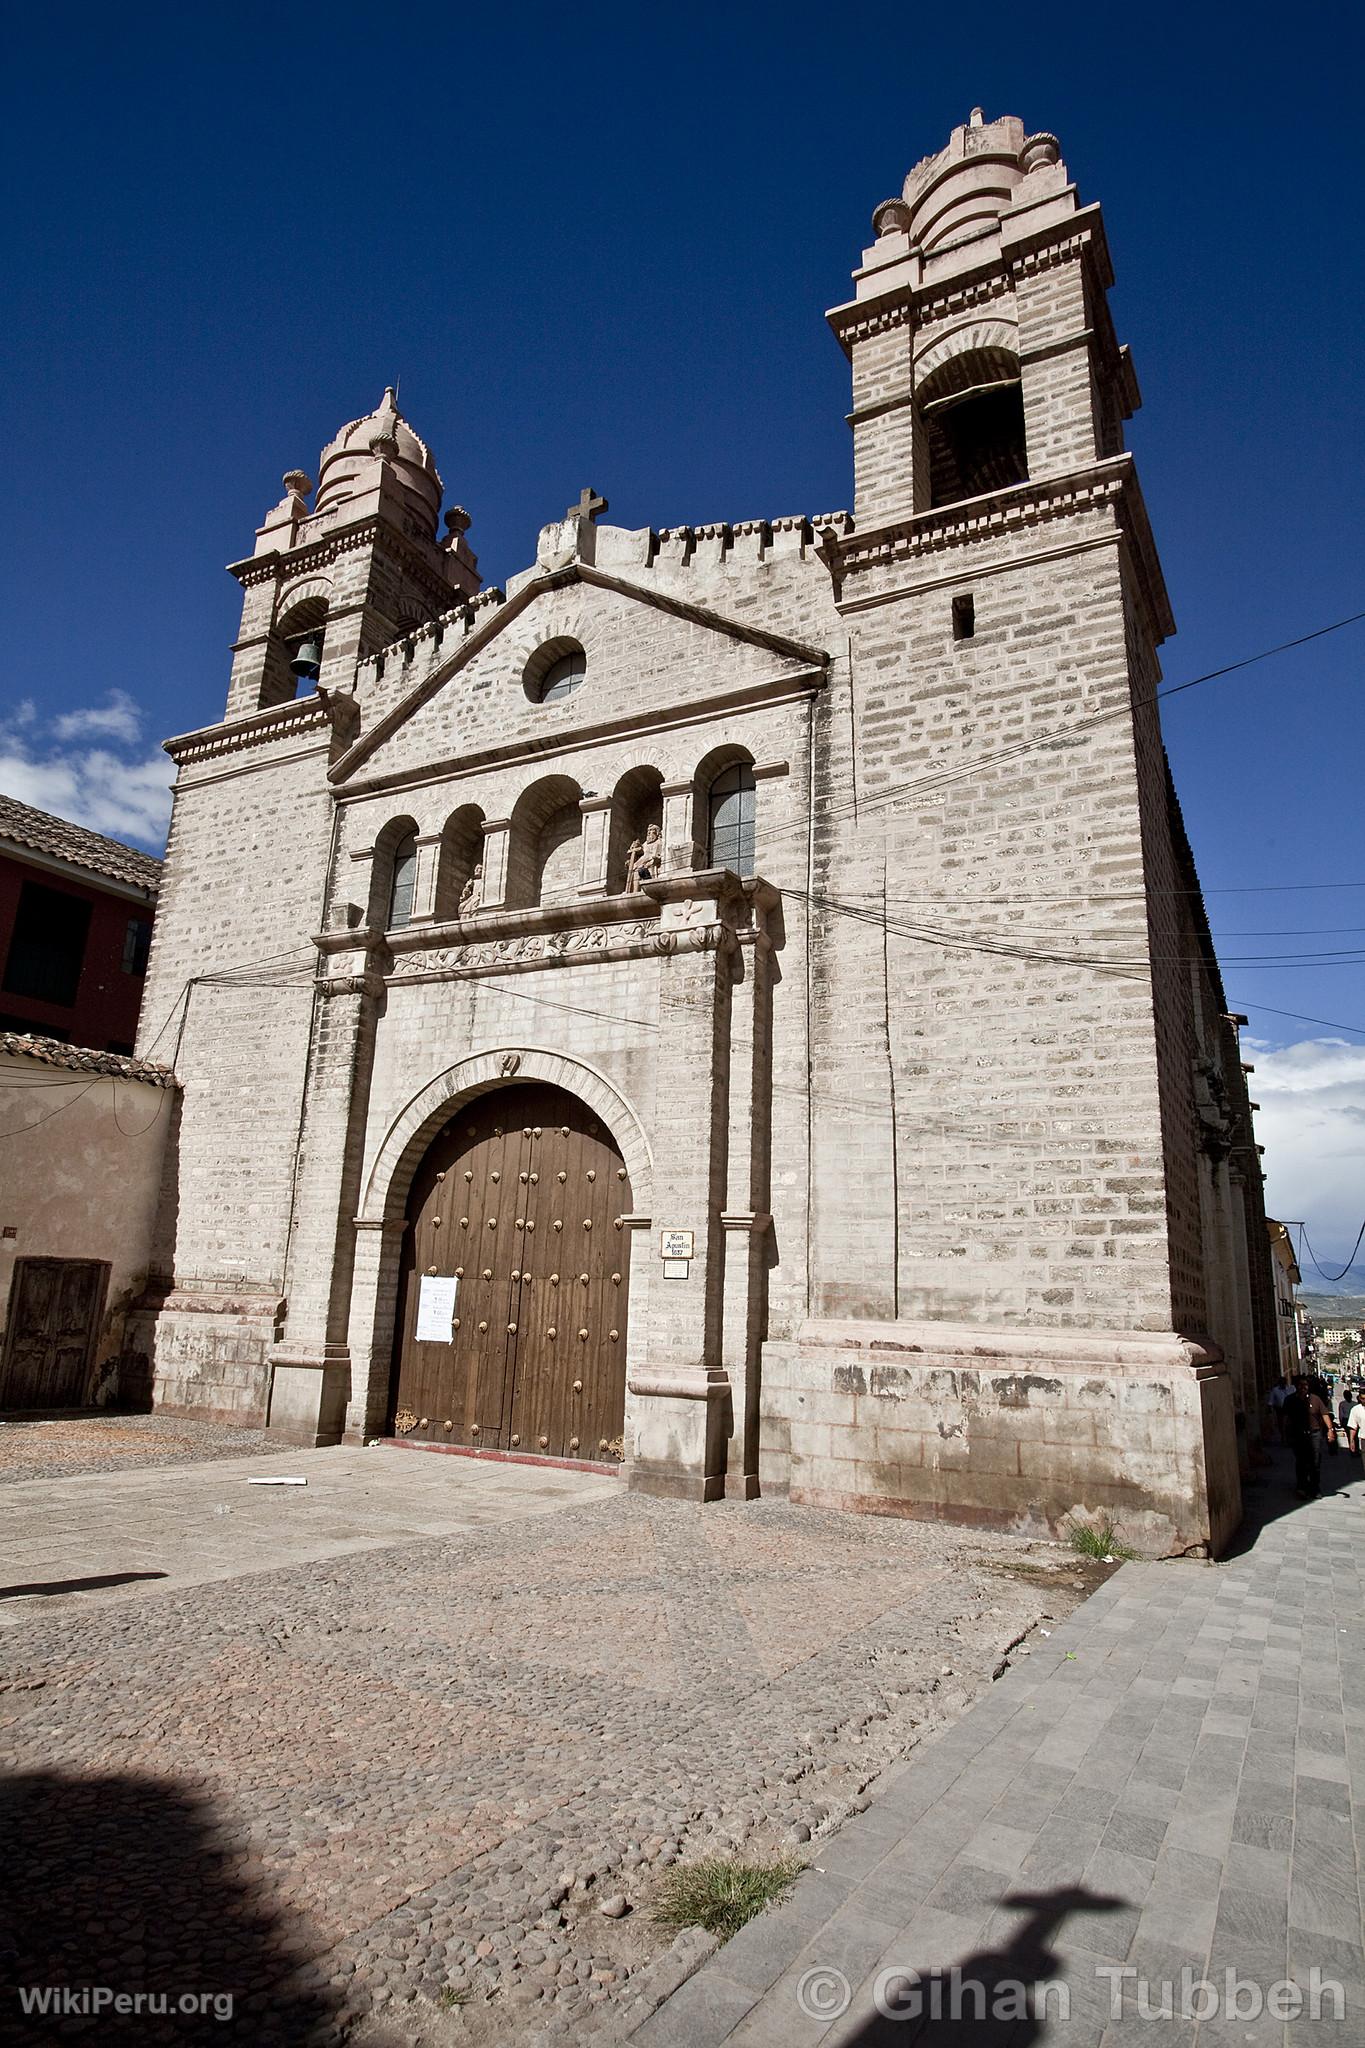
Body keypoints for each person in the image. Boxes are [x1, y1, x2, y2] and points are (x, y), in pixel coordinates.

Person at [1282, 1374, 1336, 1498]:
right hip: (1298, 1434)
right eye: (1300, 1385)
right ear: (1296, 1386)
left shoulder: (1315, 1399)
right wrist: (1285, 1434)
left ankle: (1314, 1487)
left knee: (1315, 1461)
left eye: (1305, 1385)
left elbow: (1325, 1414)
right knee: (1301, 1461)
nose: (1303, 1387)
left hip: (1314, 1434)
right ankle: (1301, 1486)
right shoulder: (1290, 1400)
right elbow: (1286, 1418)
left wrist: (1330, 1430)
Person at [1347, 1388, 1365, 1457]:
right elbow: (1353, 1426)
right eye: (1363, 1398)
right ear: (1359, 1398)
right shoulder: (1356, 1410)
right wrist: (1351, 1441)